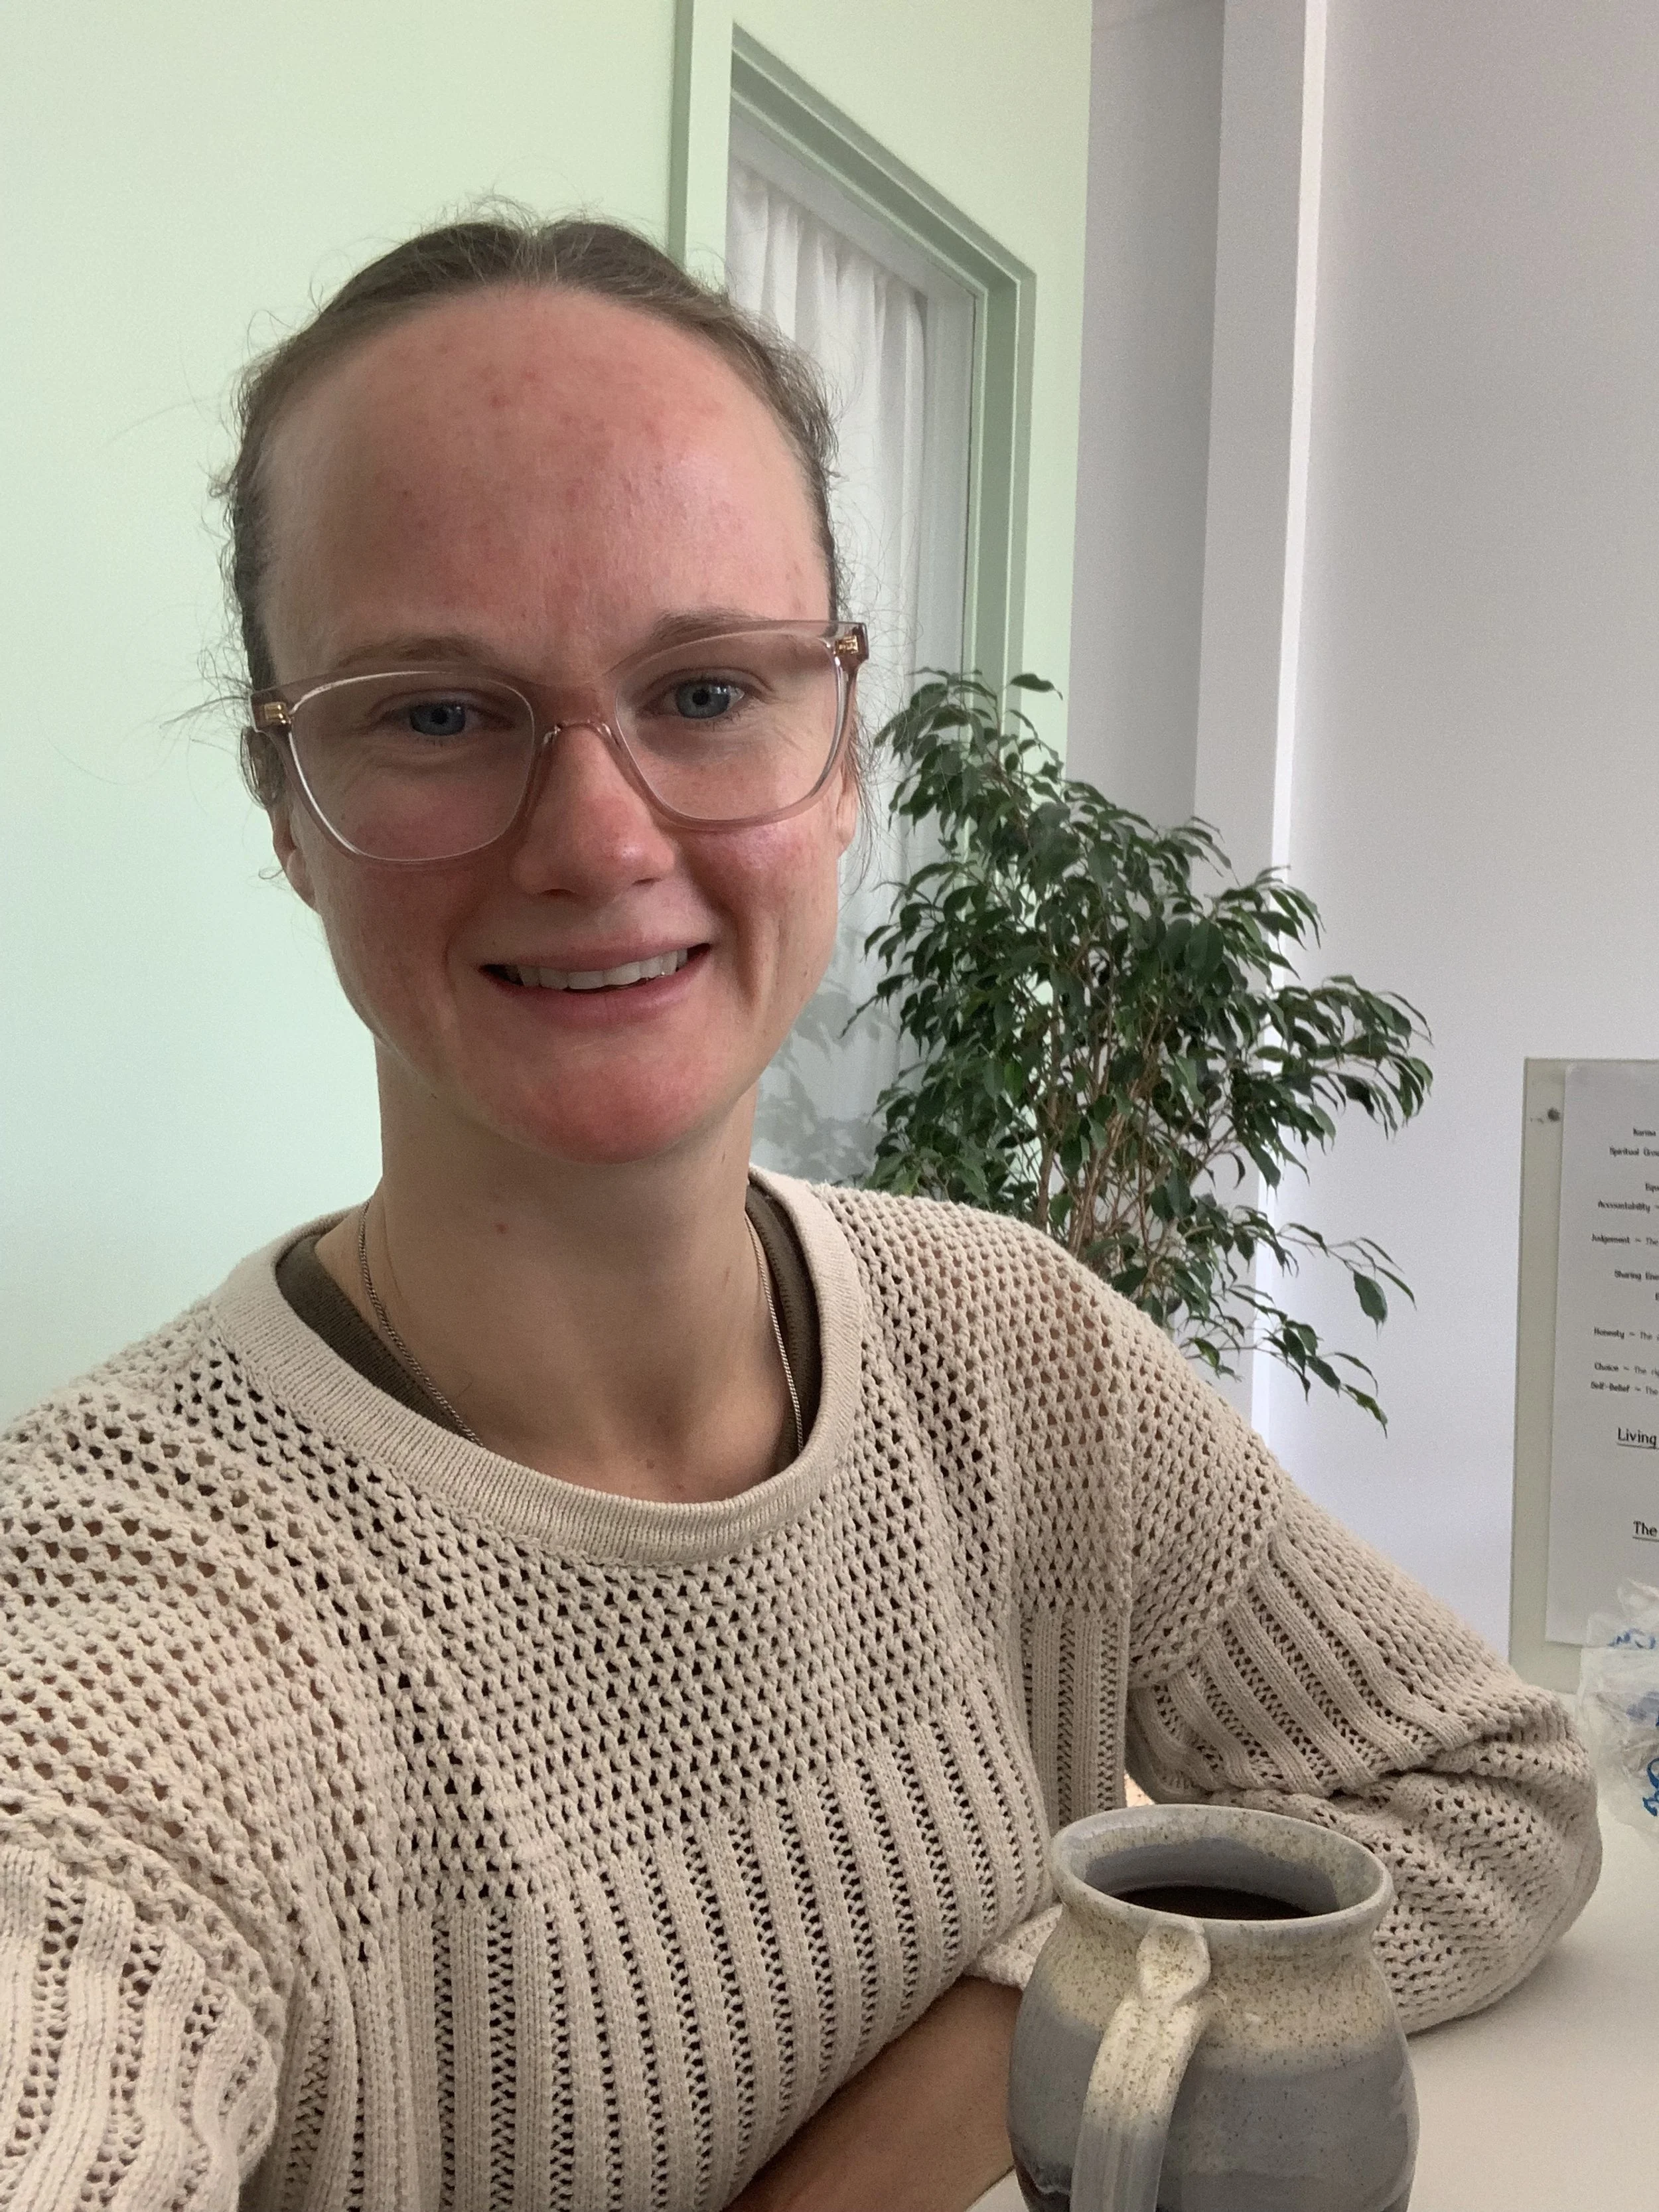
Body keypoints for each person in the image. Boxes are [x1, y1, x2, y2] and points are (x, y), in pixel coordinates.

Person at [0, 212, 1598, 2212]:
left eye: (703, 690)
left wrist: (1011, 2019)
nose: (598, 838)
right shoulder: (123, 1615)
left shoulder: (1006, 1347)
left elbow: (1483, 1790)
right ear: (284, 807)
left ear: (841, 758)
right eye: (435, 713)